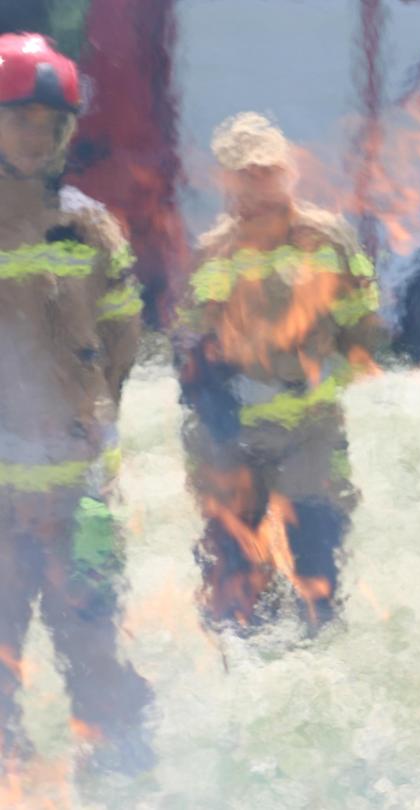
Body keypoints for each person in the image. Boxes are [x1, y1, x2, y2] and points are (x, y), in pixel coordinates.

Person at [0, 31, 153, 777]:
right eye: (19, 118)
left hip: (79, 493)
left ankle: (123, 781)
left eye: (48, 123)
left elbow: (122, 346)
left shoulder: (93, 229)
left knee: (95, 649)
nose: (35, 135)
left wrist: (92, 431)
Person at [175, 112, 386, 632]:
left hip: (310, 435)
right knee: (234, 576)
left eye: (269, 171)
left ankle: (316, 662)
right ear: (226, 180)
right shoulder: (212, 252)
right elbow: (188, 339)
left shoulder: (327, 239)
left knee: (316, 561)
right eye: (245, 173)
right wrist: (206, 391)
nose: (260, 184)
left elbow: (364, 324)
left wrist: (331, 371)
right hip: (232, 439)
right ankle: (245, 661)